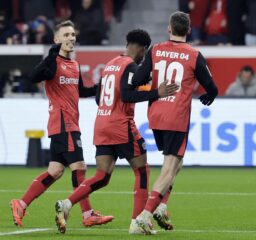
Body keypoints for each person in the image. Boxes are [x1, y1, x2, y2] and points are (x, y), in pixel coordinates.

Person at [53, 29, 179, 235]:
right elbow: (128, 95)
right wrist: (158, 93)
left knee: (102, 176)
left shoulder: (111, 64)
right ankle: (136, 223)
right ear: (142, 48)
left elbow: (98, 97)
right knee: (142, 171)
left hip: (102, 123)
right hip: (121, 124)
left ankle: (67, 203)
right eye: (144, 53)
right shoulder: (131, 65)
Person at [9, 20, 113, 229]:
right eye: (65, 35)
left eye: (73, 34)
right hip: (63, 123)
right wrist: (52, 55)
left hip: (67, 124)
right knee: (80, 168)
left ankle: (21, 203)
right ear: (57, 39)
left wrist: (97, 88)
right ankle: (87, 213)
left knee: (55, 171)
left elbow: (79, 91)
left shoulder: (74, 65)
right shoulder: (53, 62)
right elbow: (34, 76)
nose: (71, 38)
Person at [130, 11, 218, 234]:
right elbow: (212, 87)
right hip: (177, 117)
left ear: (169, 28)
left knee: (177, 164)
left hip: (156, 115)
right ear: (188, 30)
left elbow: (138, 79)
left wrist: (154, 80)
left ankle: (161, 206)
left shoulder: (156, 50)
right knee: (169, 168)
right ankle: (145, 215)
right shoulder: (194, 54)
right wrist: (209, 96)